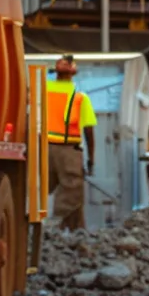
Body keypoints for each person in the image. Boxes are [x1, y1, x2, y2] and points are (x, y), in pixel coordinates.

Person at [45, 55, 95, 231]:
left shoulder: (44, 90)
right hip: (67, 151)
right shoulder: (79, 97)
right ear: (72, 74)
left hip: (43, 148)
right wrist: (91, 159)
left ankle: (77, 231)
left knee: (45, 187)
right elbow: (88, 130)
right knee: (72, 191)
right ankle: (56, 225)